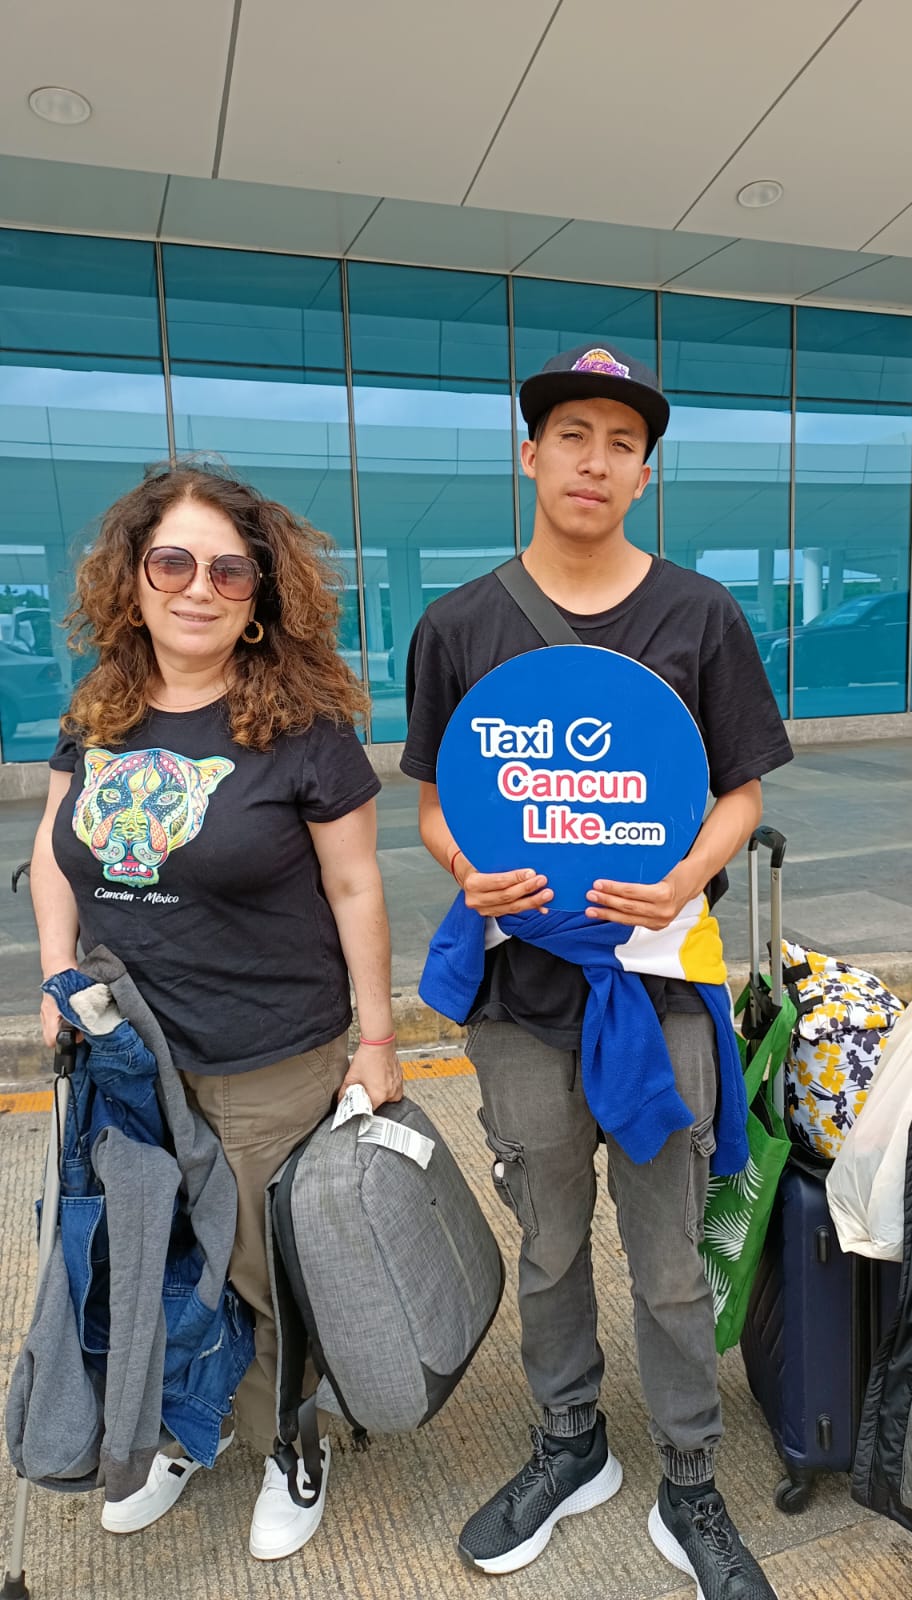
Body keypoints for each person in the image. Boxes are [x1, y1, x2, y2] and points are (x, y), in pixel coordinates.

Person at [402, 344, 794, 1599]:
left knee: (671, 1252)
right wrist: (465, 865)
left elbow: (739, 790)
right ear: (531, 454)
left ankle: (690, 1472)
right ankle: (570, 1440)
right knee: (552, 1240)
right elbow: (436, 800)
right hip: (521, 998)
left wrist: (685, 878)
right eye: (573, 434)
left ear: (645, 474)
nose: (595, 459)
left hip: (659, 984)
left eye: (623, 443)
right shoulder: (459, 624)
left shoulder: (699, 615)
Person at [29, 463, 399, 1561]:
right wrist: (55, 973)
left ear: (260, 595)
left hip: (263, 1054)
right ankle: (192, 1425)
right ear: (134, 580)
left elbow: (355, 887)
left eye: (229, 571)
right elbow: (53, 851)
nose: (199, 587)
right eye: (174, 562)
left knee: (259, 1268)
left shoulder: (305, 726)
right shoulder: (99, 706)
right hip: (127, 1056)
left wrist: (379, 1040)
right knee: (156, 1259)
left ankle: (290, 1435)